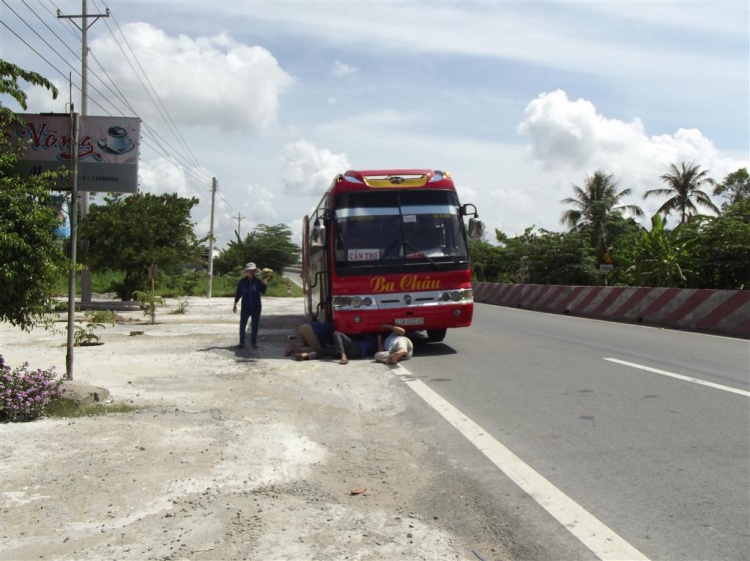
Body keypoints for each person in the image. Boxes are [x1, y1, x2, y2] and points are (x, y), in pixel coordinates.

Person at [232, 262, 267, 349]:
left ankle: (253, 342)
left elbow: (263, 291)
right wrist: (235, 304)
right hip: (245, 307)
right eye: (249, 271)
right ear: (246, 271)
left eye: (253, 271)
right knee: (242, 325)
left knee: (255, 325)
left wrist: (264, 283)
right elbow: (238, 293)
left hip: (256, 307)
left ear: (255, 272)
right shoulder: (242, 282)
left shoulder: (258, 282)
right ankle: (241, 342)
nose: (251, 272)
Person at [296, 331, 377, 365]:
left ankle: (342, 354)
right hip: (354, 353)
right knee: (324, 351)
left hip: (356, 348)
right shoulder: (374, 342)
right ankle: (306, 355)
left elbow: (362, 332)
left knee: (337, 333)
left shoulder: (374, 341)